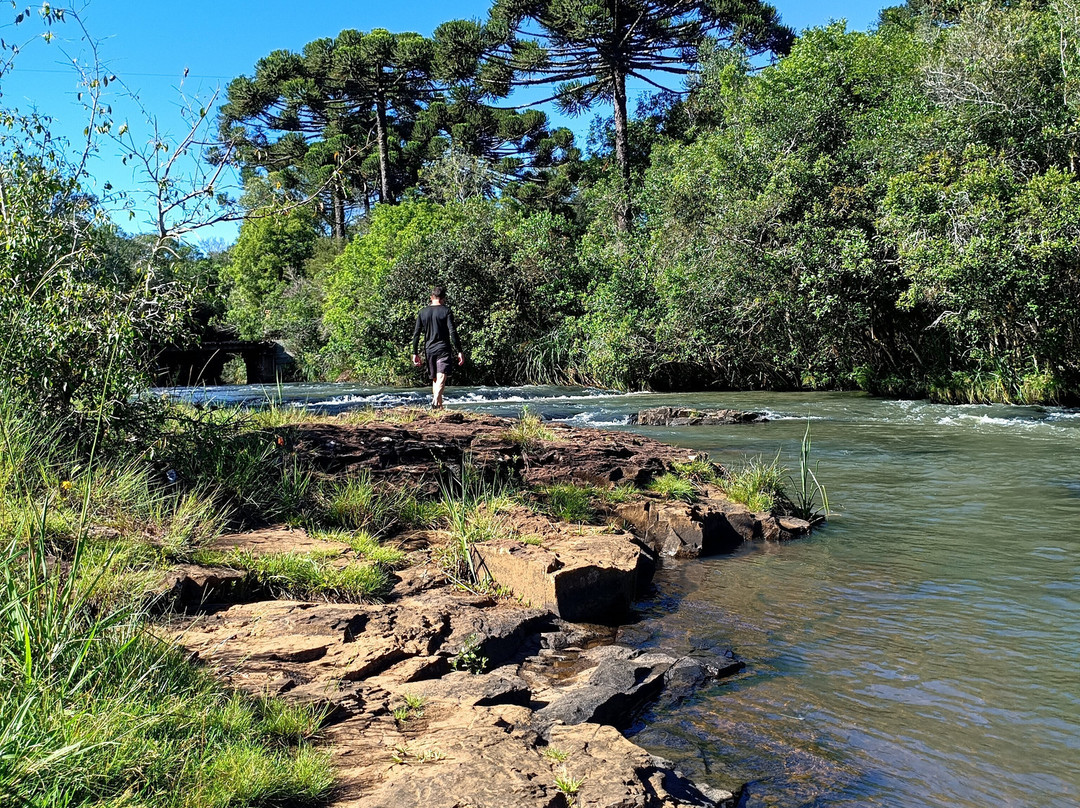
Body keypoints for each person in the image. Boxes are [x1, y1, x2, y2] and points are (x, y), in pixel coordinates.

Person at [411, 286, 465, 408]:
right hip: (443, 348)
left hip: (429, 349)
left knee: (435, 378)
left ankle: (438, 409)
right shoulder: (446, 311)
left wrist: (415, 353)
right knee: (441, 376)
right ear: (443, 298)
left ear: (431, 297)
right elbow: (453, 332)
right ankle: (435, 400)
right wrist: (459, 350)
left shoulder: (422, 312)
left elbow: (416, 334)